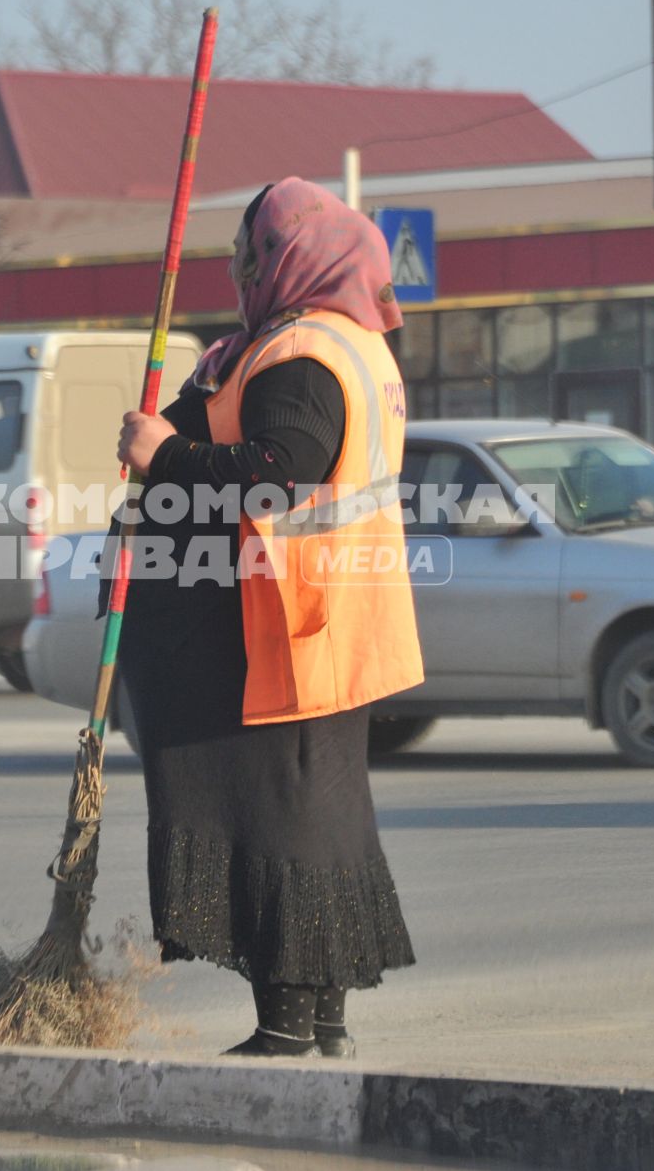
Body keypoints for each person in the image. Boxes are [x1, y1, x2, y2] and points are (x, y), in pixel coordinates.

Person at [114, 176, 424, 1056]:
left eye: (247, 249)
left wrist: (166, 454)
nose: (236, 265)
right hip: (327, 621)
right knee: (313, 824)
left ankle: (287, 1027)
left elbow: (281, 470)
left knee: (272, 824)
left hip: (284, 626)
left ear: (284, 257)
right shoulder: (339, 342)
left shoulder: (301, 357)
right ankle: (320, 1025)